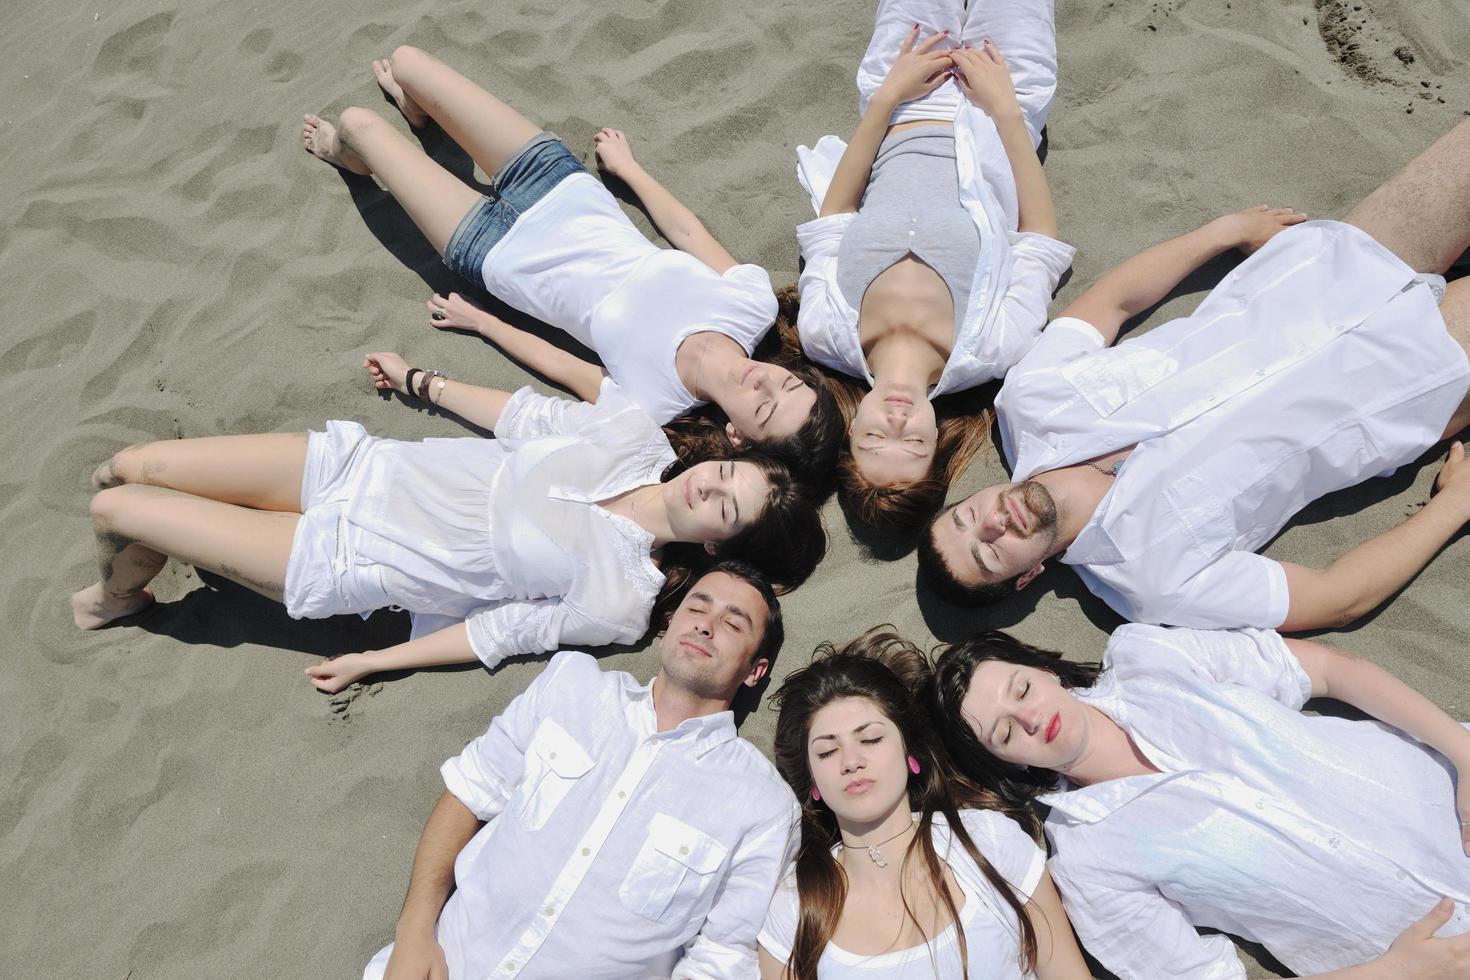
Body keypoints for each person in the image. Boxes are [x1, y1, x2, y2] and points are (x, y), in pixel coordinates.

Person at [922, 120, 1470, 630]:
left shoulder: (1030, 399)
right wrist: (1453, 507)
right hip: (1416, 379)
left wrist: (1223, 232)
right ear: (1026, 578)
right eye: (988, 553)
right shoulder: (1152, 583)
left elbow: (1111, 303)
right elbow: (1337, 595)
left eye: (969, 515)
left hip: (1330, 268)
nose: (993, 523)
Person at [69, 352, 824, 694]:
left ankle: (119, 601)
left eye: (726, 505)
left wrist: (374, 662)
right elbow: (521, 415)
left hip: (347, 557)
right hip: (356, 469)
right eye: (725, 473)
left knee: (116, 508)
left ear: (719, 541)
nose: (708, 487)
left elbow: (496, 634)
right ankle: (154, 551)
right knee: (129, 466)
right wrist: (420, 380)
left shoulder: (621, 598)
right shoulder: (635, 438)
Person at [301, 47, 844, 478]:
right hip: (560, 186)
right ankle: (415, 109)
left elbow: (562, 367)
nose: (765, 385)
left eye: (766, 408)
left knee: (358, 123)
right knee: (409, 61)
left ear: (738, 436)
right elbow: (685, 231)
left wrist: (483, 321)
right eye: (788, 385)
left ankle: (346, 155)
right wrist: (628, 169)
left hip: (492, 250)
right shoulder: (751, 307)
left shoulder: (653, 406)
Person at [931, 625, 1470, 979]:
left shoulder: (1152, 659)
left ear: (1043, 670)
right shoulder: (1090, 866)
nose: (1028, 718)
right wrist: (1394, 971)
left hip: (1446, 788)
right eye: (1005, 733)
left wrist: (1465, 755)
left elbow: (1330, 669)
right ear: (1011, 764)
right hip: (1440, 953)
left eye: (1021, 690)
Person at [362, 562, 799, 979]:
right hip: (436, 963)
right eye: (698, 607)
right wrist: (414, 933)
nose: (706, 624)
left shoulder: (760, 805)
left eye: (733, 623)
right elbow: (469, 792)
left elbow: (721, 961)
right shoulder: (571, 685)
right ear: (670, 624)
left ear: (754, 671)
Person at [793, 0, 1072, 527]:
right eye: (914, 441)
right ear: (936, 442)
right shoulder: (992, 349)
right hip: (998, 108)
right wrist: (1009, 110)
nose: (897, 419)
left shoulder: (824, 332)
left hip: (900, 98)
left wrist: (886, 97)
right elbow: (1039, 242)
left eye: (877, 436)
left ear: (850, 436)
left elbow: (833, 219)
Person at [758, 628, 1087, 979]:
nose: (851, 761)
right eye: (827, 751)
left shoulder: (989, 841)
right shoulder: (794, 906)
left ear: (910, 754)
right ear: (813, 784)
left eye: (870, 738)